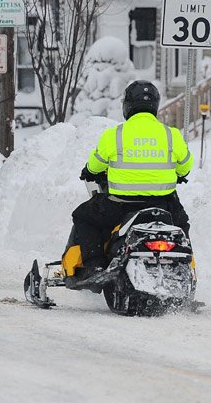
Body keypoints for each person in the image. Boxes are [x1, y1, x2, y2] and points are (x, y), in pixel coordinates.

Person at [64, 79, 192, 279]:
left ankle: (95, 266)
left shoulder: (115, 135)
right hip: (163, 205)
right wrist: (179, 174)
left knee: (84, 216)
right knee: (181, 226)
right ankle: (187, 271)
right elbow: (185, 167)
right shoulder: (171, 135)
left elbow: (95, 165)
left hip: (120, 205)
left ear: (127, 105)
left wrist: (88, 171)